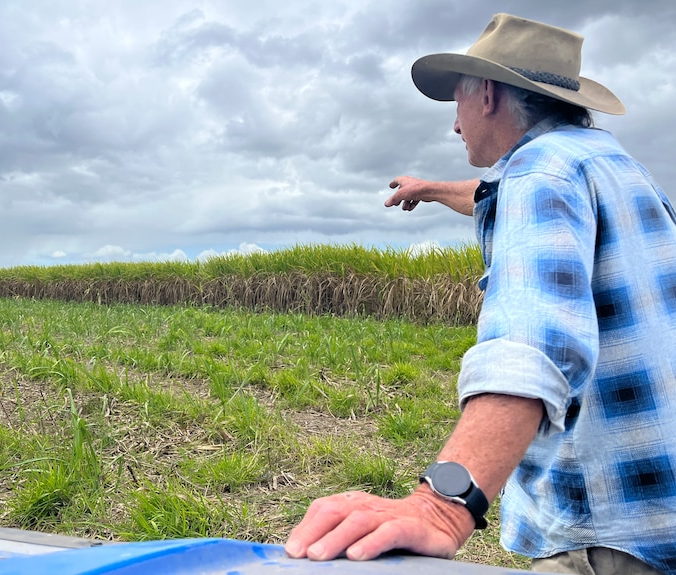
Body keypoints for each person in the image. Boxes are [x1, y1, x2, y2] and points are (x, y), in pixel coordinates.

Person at [285, 13, 676, 575]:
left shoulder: (537, 177)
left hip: (607, 535)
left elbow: (532, 345)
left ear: (487, 94)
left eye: (457, 104)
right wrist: (433, 188)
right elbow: (492, 194)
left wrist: (442, 508)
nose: (454, 126)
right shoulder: (614, 167)